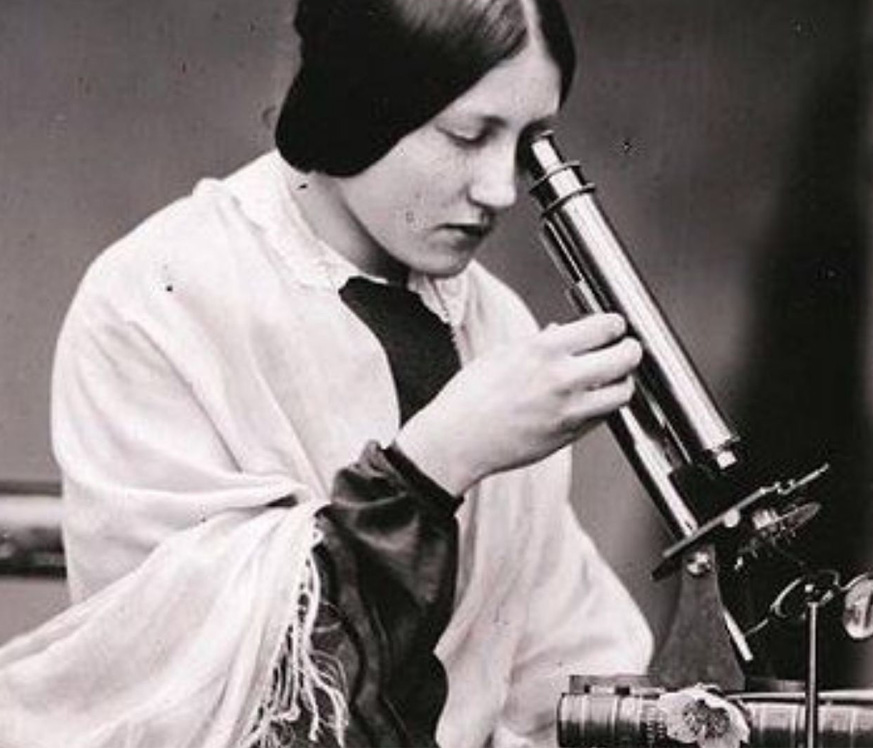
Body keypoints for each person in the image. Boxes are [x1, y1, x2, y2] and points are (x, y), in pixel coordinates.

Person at [0, 1, 653, 746]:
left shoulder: (497, 323)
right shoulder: (156, 299)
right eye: (468, 135)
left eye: (529, 142)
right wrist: (438, 461)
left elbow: (559, 655)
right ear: (360, 99)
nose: (501, 189)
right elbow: (195, 684)